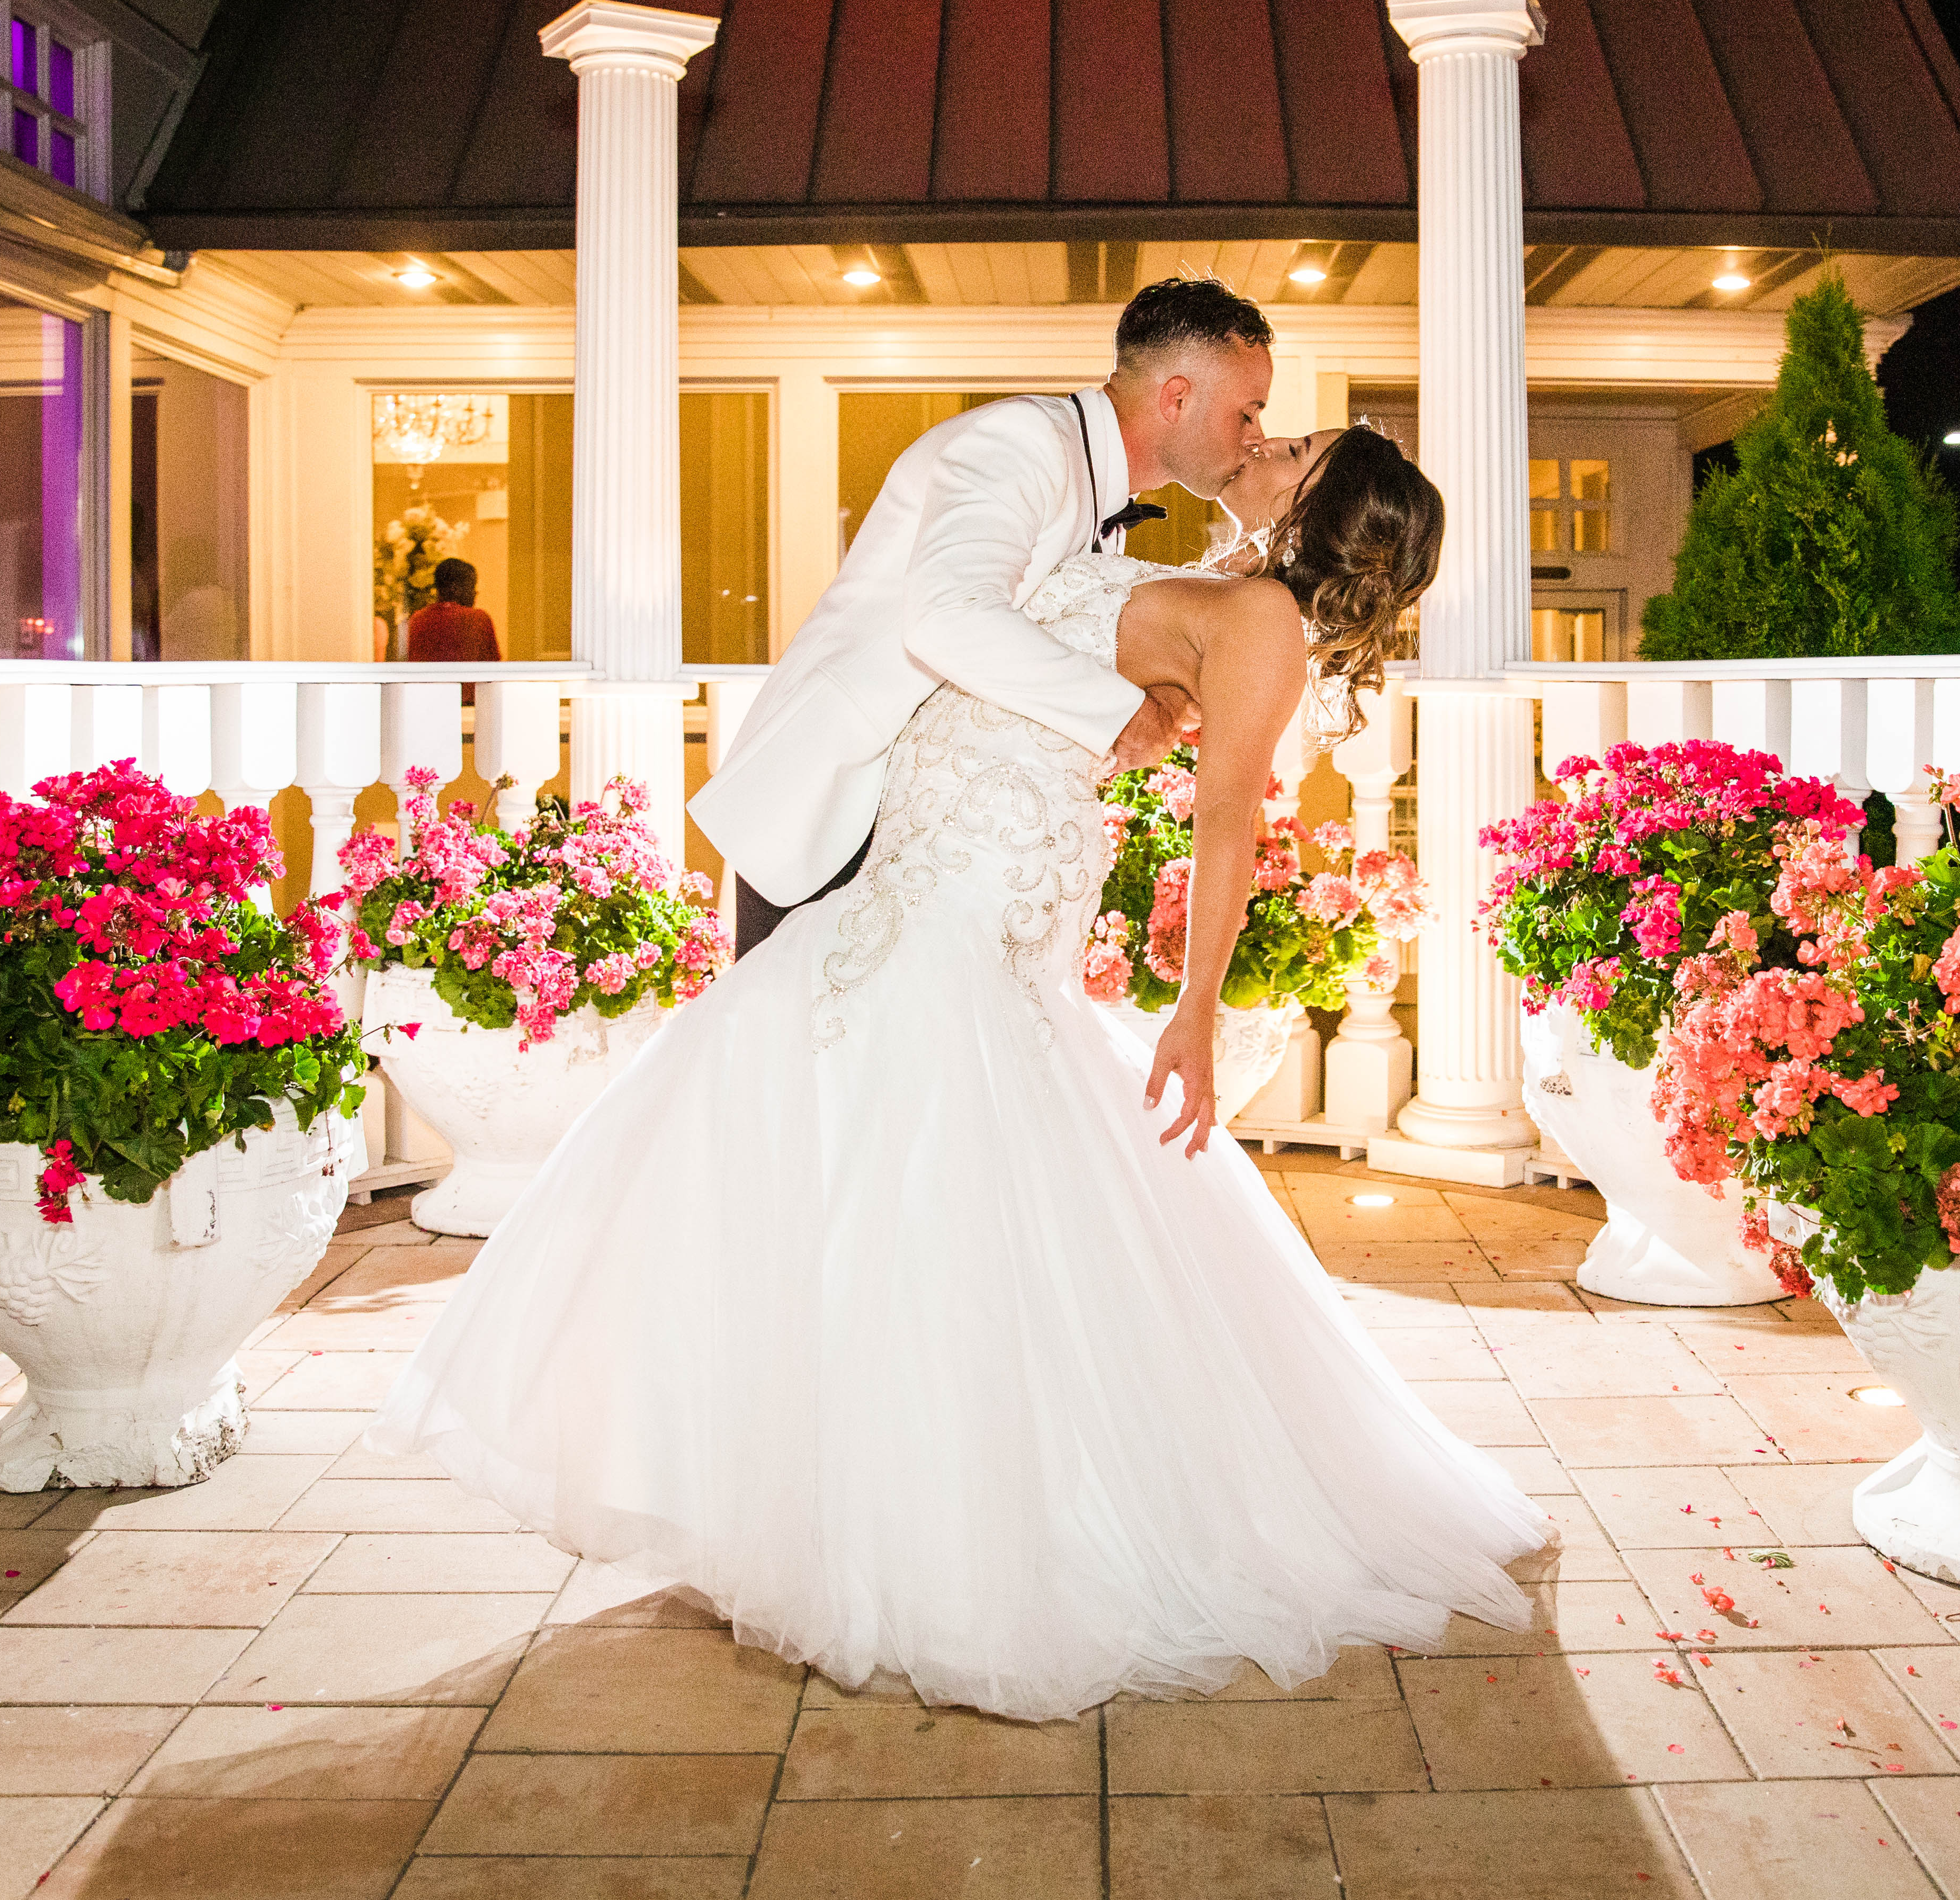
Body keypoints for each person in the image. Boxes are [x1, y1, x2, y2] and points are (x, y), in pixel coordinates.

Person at [369, 420, 1553, 1720]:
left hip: (982, 881)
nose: (1271, 438)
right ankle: (804, 1504)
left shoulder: (1260, 613)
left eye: (1304, 446)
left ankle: (917, 1543)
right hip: (921, 856)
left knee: (916, 1165)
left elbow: (1230, 818)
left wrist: (1195, 1010)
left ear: (1321, 504)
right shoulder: (1206, 584)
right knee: (828, 1153)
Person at [693, 277, 1270, 989]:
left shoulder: (1092, 488)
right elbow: (949, 616)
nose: (1257, 436)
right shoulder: (1023, 439)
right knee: (798, 1070)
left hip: (933, 825)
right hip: (840, 808)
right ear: (1176, 398)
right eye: (1248, 411)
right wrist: (1123, 714)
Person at [402, 556, 503, 661]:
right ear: (455, 589)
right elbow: (493, 665)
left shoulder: (417, 619)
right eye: (472, 587)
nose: (475, 593)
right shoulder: (479, 619)